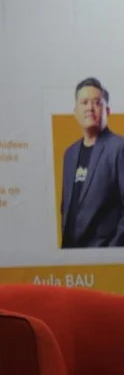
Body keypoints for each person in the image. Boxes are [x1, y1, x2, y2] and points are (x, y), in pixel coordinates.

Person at [60, 77, 124, 248]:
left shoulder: (119, 148)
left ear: (107, 111)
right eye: (84, 102)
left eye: (97, 102)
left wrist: (111, 251)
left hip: (102, 254)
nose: (90, 107)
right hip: (70, 253)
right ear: (75, 112)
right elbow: (65, 207)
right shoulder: (69, 153)